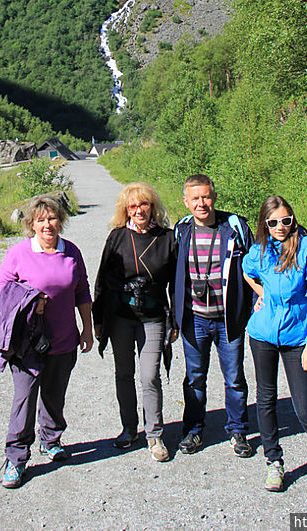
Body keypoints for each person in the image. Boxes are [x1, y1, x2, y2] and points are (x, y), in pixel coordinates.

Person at [0, 194, 93, 488]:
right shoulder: (18, 253)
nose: (47, 225)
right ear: (31, 225)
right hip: (27, 342)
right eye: (40, 220)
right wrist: (29, 301)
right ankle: (16, 458)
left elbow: (82, 291)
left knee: (54, 394)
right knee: (24, 398)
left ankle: (51, 440)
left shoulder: (71, 251)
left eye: (52, 219)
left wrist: (86, 329)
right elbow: (1, 286)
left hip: (63, 339)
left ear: (60, 221)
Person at [242, 195, 307, 495]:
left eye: (286, 220)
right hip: (262, 335)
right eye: (273, 222)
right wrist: (261, 295)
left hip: (297, 338)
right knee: (266, 399)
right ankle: (274, 461)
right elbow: (246, 270)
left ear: (293, 219)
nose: (280, 227)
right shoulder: (260, 251)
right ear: (265, 224)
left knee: (305, 406)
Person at [93, 182, 178, 462]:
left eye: (144, 204)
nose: (139, 210)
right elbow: (102, 280)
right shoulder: (116, 237)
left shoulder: (167, 238)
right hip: (120, 316)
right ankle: (129, 429)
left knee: (150, 376)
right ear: (125, 210)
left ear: (152, 206)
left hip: (153, 316)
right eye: (133, 206)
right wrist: (97, 319)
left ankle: (154, 434)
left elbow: (176, 285)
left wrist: (174, 321)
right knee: (123, 374)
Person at [174, 174, 254, 457]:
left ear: (214, 197)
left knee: (234, 377)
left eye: (206, 197)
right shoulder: (181, 230)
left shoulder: (234, 228)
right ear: (185, 201)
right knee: (195, 377)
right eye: (195, 198)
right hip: (195, 318)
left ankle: (238, 431)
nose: (201, 203)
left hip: (227, 319)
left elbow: (253, 271)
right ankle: (193, 431)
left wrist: (253, 309)